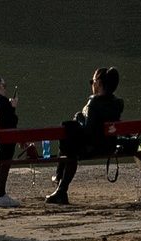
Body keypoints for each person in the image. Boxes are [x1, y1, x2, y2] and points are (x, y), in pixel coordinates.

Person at [44, 67, 126, 205]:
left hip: (92, 147)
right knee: (69, 141)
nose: (91, 84)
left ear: (99, 83)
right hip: (109, 145)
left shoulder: (94, 103)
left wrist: (80, 117)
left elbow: (89, 131)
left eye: (92, 81)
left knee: (69, 141)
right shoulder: (117, 103)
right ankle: (59, 184)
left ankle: (61, 188)